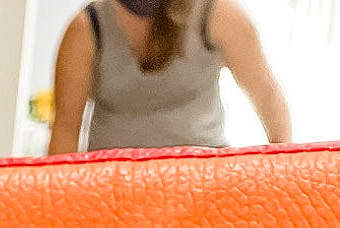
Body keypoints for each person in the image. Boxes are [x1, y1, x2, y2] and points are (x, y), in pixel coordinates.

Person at [48, 0, 292, 153]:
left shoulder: (218, 13)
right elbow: (65, 130)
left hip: (200, 186)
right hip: (114, 190)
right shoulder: (86, 28)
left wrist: (281, 179)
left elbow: (267, 97)